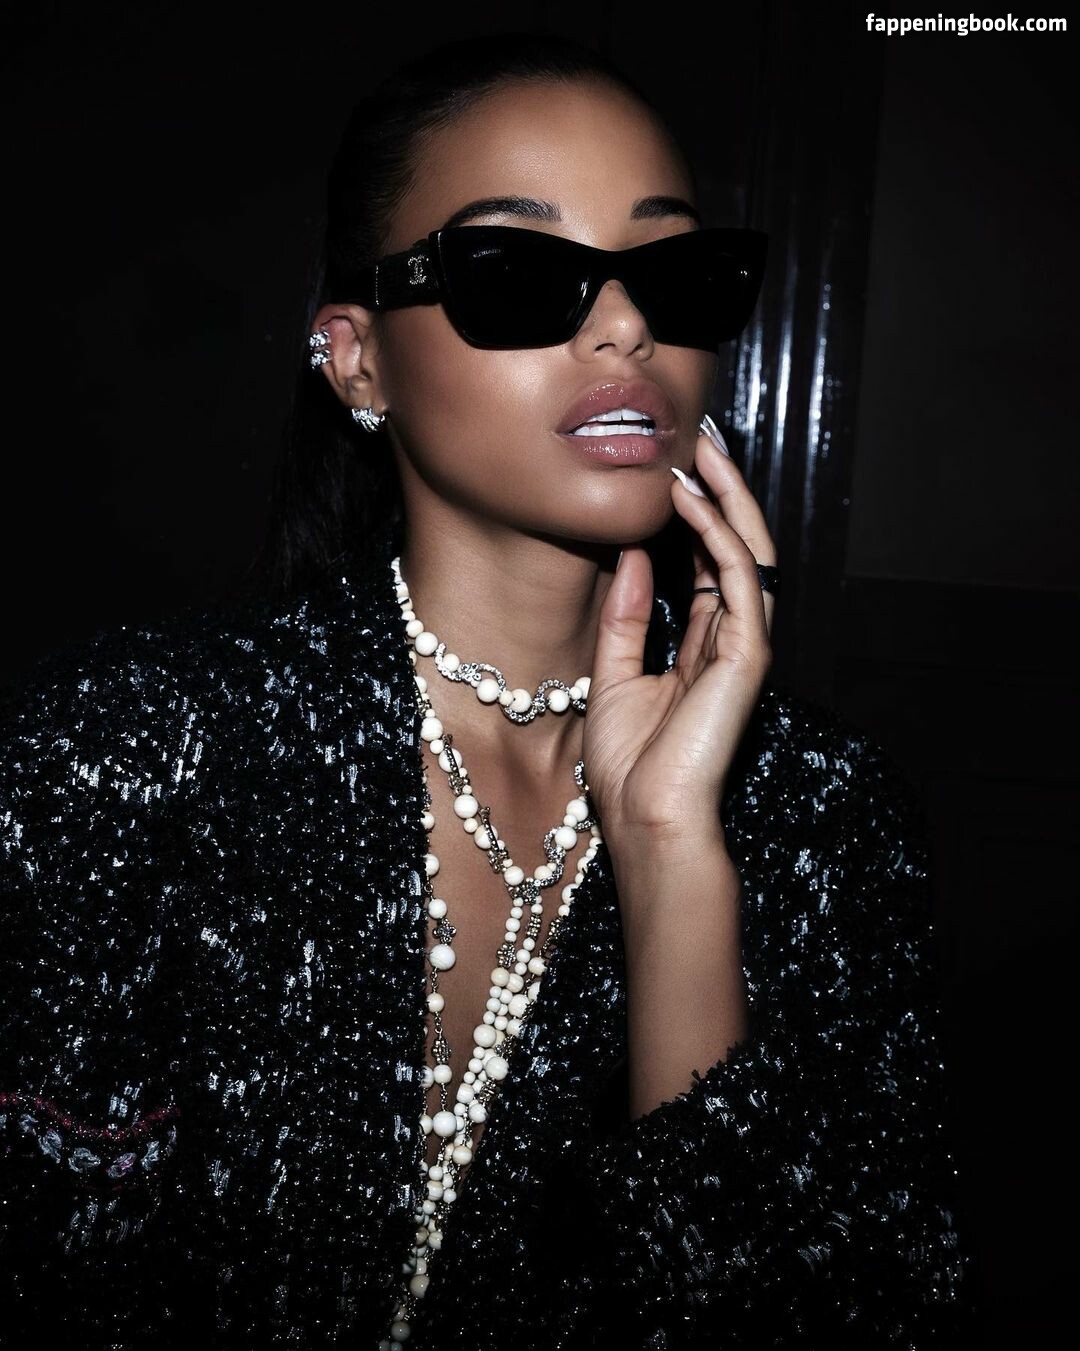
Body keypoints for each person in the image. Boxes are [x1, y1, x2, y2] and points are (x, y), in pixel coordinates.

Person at [0, 30, 971, 1351]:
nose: (626, 325)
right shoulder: (128, 753)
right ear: (357, 359)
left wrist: (673, 861)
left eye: (673, 274)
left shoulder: (828, 816)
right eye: (519, 272)